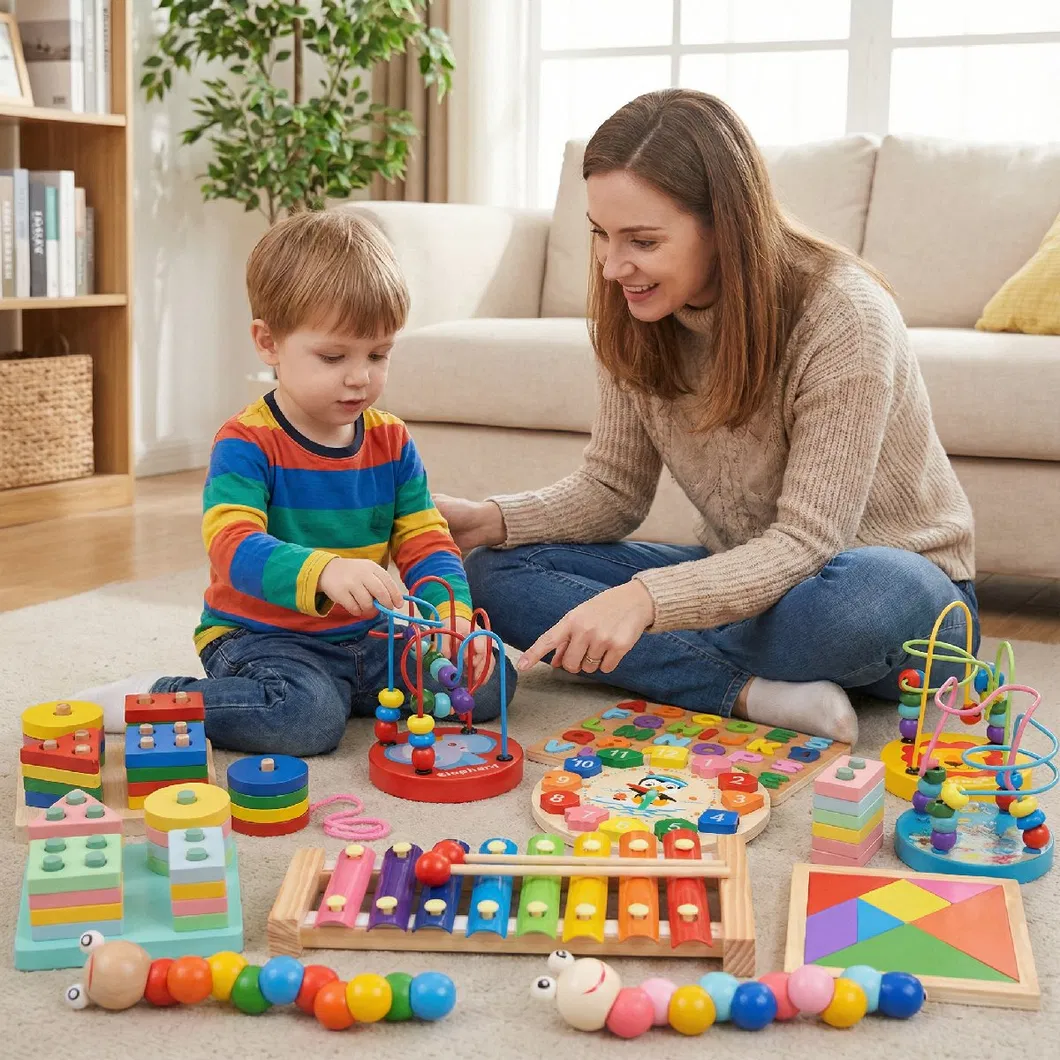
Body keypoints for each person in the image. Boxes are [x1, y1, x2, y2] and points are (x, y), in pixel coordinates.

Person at [436, 89, 978, 745]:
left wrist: (645, 602)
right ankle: (749, 692)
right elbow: (614, 490)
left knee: (850, 604)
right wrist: (491, 518)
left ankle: (694, 663)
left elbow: (808, 544)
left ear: (725, 223)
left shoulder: (843, 314)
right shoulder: (633, 308)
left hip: (894, 591)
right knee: (497, 571)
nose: (612, 267)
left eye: (641, 240)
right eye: (600, 235)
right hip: (751, 574)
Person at [76, 210, 515, 755]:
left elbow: (426, 540)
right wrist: (323, 571)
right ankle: (159, 697)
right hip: (261, 638)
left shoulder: (393, 440)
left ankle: (350, 690)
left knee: (492, 681)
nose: (360, 375)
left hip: (367, 636)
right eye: (334, 356)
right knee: (305, 721)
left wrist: (449, 619)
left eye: (378, 354)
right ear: (269, 343)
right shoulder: (246, 442)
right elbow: (231, 544)